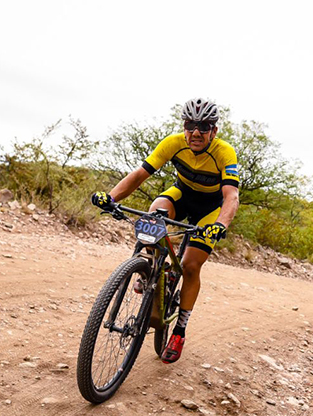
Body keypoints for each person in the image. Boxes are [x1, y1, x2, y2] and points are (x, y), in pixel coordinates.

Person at [91, 98, 240, 363]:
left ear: (213, 131)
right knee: (155, 211)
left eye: (203, 126)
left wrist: (220, 225)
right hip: (181, 194)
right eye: (190, 125)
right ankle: (149, 264)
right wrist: (111, 198)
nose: (195, 132)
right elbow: (139, 174)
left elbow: (231, 196)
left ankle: (179, 331)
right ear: (184, 126)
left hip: (210, 208)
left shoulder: (224, 152)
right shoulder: (173, 143)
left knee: (191, 266)